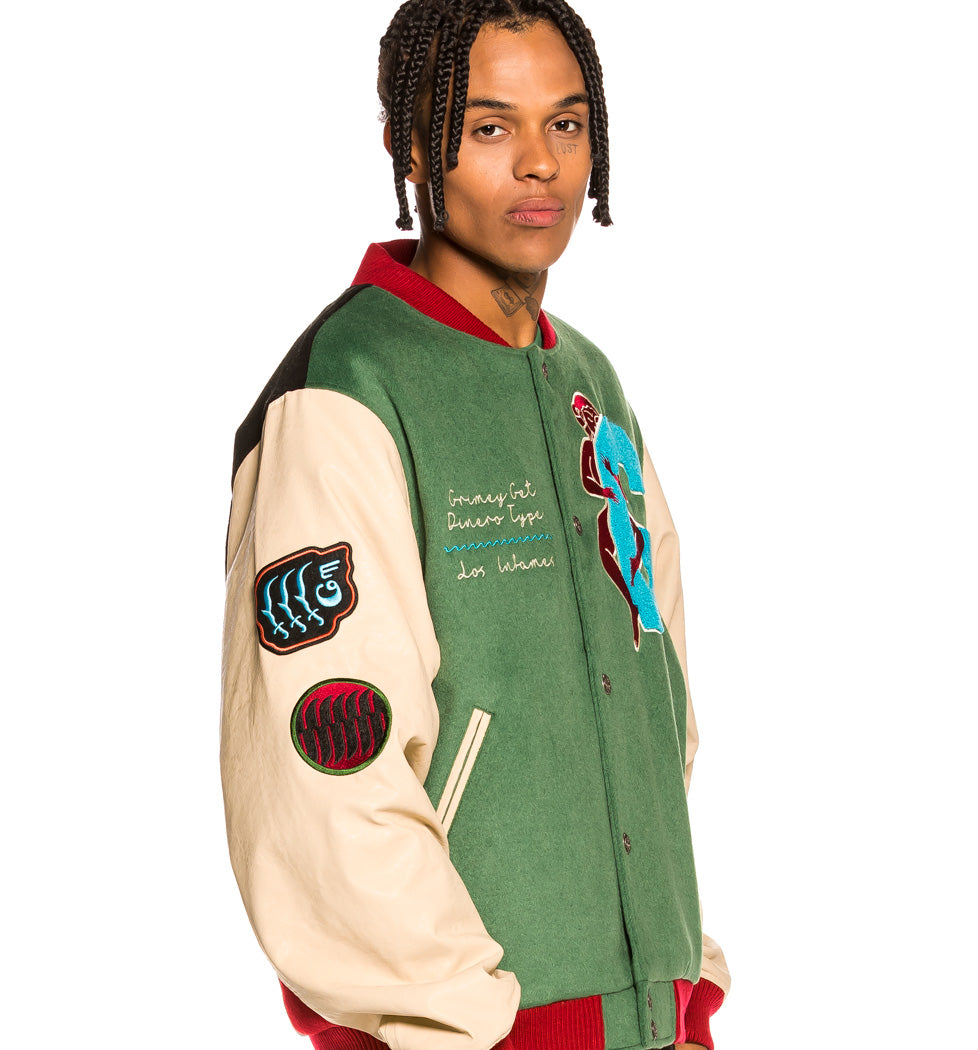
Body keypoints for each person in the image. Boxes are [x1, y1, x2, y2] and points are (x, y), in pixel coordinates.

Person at [220, 3, 731, 1050]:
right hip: (473, 1032)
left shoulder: (589, 382)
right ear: (410, 145)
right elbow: (330, 769)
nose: (539, 163)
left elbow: (656, 693)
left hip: (653, 1019)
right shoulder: (347, 390)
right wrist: (460, 1016)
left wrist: (681, 986)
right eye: (490, 126)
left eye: (567, 123)